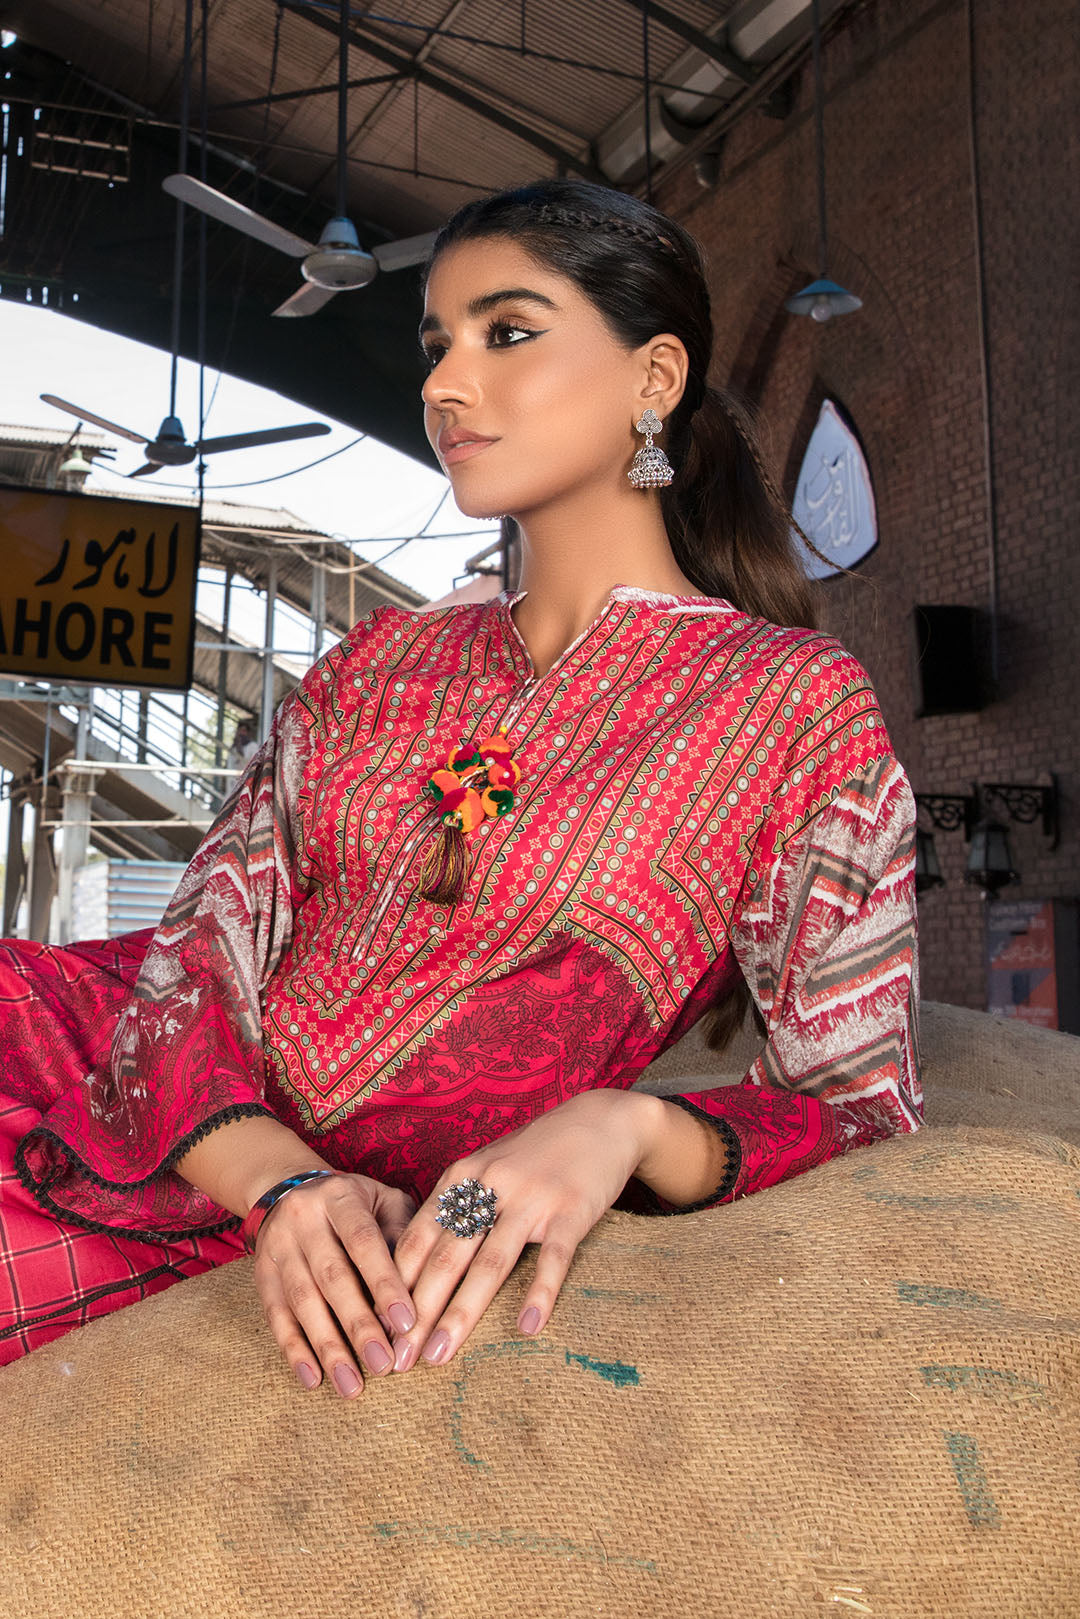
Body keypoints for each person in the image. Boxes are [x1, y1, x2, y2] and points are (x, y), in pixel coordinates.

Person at [0, 180, 921, 1387]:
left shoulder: (791, 707)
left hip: (347, 1202)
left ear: (654, 377)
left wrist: (630, 1123)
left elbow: (859, 1102)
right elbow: (196, 947)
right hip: (154, 1104)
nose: (443, 384)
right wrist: (280, 1180)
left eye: (508, 331)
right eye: (438, 344)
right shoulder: (376, 664)